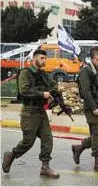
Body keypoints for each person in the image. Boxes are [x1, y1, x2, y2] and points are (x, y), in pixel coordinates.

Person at [2, 49, 60, 178]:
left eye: (45, 58)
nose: (44, 61)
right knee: (28, 141)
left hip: (41, 111)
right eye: (41, 58)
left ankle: (45, 167)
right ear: (34, 59)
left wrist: (53, 93)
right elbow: (24, 90)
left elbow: (54, 85)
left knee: (47, 138)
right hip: (29, 111)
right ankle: (11, 155)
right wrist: (42, 93)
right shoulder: (25, 73)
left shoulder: (43, 74)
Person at [71, 46, 98, 172]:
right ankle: (97, 162)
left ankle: (79, 148)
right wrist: (93, 107)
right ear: (96, 56)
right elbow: (86, 91)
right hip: (92, 107)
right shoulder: (86, 71)